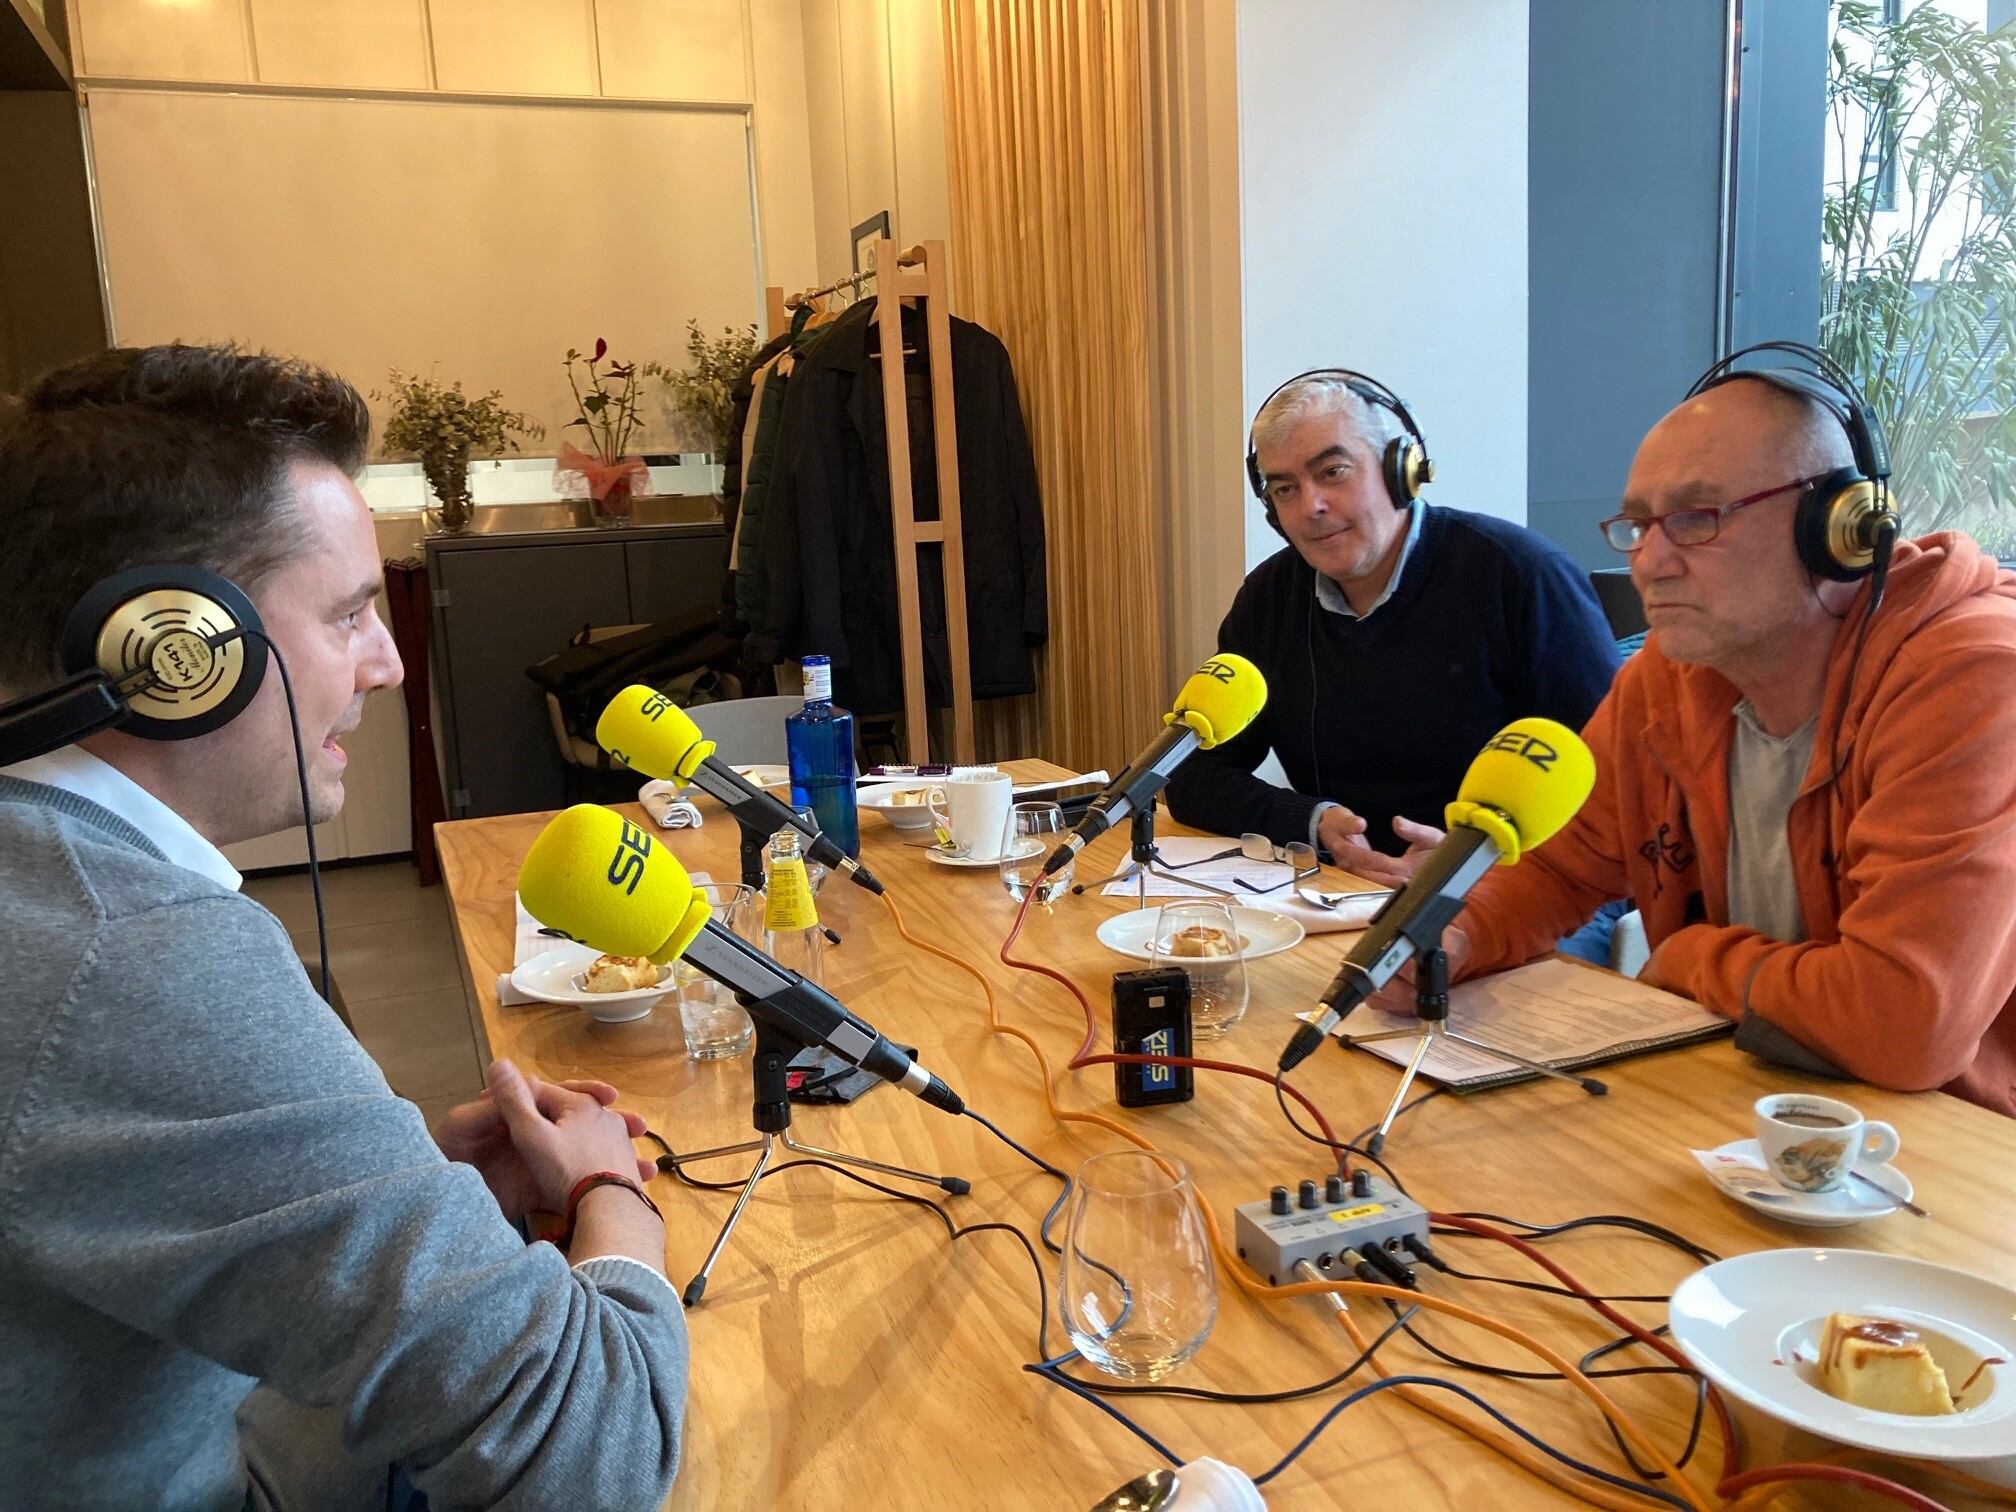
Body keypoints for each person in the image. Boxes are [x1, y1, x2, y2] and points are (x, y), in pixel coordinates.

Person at [0, 345, 688, 1508]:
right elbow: (593, 1445)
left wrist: (371, 1180)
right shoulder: (131, 954)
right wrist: (610, 1196)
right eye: (352, 613)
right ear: (174, 652)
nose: (388, 665)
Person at [1374, 344, 2016, 1118]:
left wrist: (1689, 955)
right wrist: (1459, 935)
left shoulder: (1974, 678)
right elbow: (1562, 867)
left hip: (1961, 1144)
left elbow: (1904, 1022)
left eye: (1695, 519)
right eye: (1639, 525)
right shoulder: (1671, 677)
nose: (1651, 561)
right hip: (1767, 1103)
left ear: (1838, 526)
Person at [1164, 370, 1621, 888]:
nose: (1310, 506)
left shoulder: (1521, 576)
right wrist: (1313, 822)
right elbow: (1192, 776)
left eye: (1333, 471)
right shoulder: (1271, 599)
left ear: (1400, 470)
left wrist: (1475, 862)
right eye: (1285, 488)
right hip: (1346, 893)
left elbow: (1618, 792)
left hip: (1520, 892)